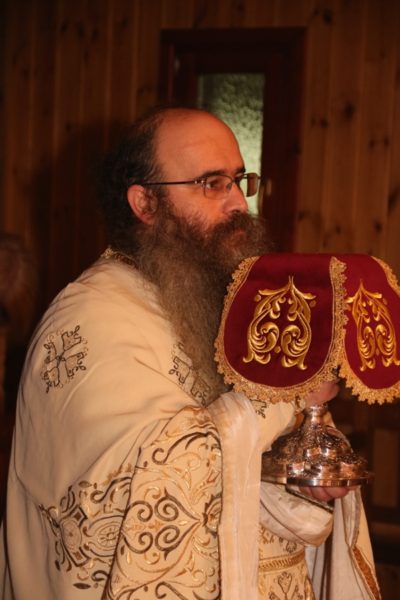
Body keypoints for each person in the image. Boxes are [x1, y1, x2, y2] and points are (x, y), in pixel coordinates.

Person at [0, 107, 380, 599]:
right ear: (144, 203)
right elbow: (151, 481)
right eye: (211, 183)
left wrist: (301, 477)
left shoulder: (217, 304)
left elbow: (249, 465)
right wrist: (284, 398)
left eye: (239, 180)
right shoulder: (89, 321)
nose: (238, 202)